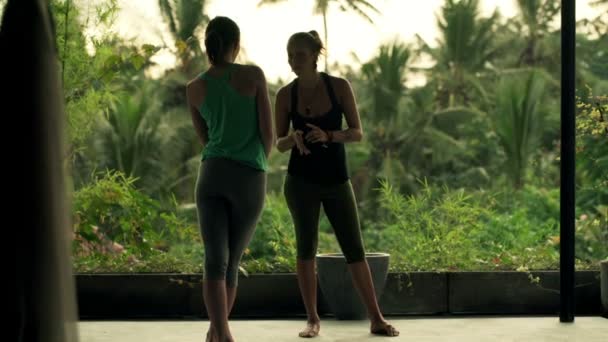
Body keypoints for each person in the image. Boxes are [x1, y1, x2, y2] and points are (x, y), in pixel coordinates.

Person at [274, 30, 399, 338]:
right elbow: (278, 144)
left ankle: (376, 318)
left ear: (316, 55)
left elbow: (357, 132)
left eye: (299, 55)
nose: (293, 61)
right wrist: (295, 137)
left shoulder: (339, 87)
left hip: (336, 181)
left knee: (354, 248)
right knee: (306, 249)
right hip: (300, 182)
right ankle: (312, 320)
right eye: (289, 55)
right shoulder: (284, 95)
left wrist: (330, 135)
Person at [186, 16, 274, 342]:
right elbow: (268, 132)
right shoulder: (253, 76)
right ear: (236, 45)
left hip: (211, 175)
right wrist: (257, 162)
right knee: (231, 262)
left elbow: (205, 139)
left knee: (214, 259)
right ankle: (223, 332)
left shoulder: (194, 88)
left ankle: (217, 331)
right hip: (249, 177)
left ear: (208, 45)